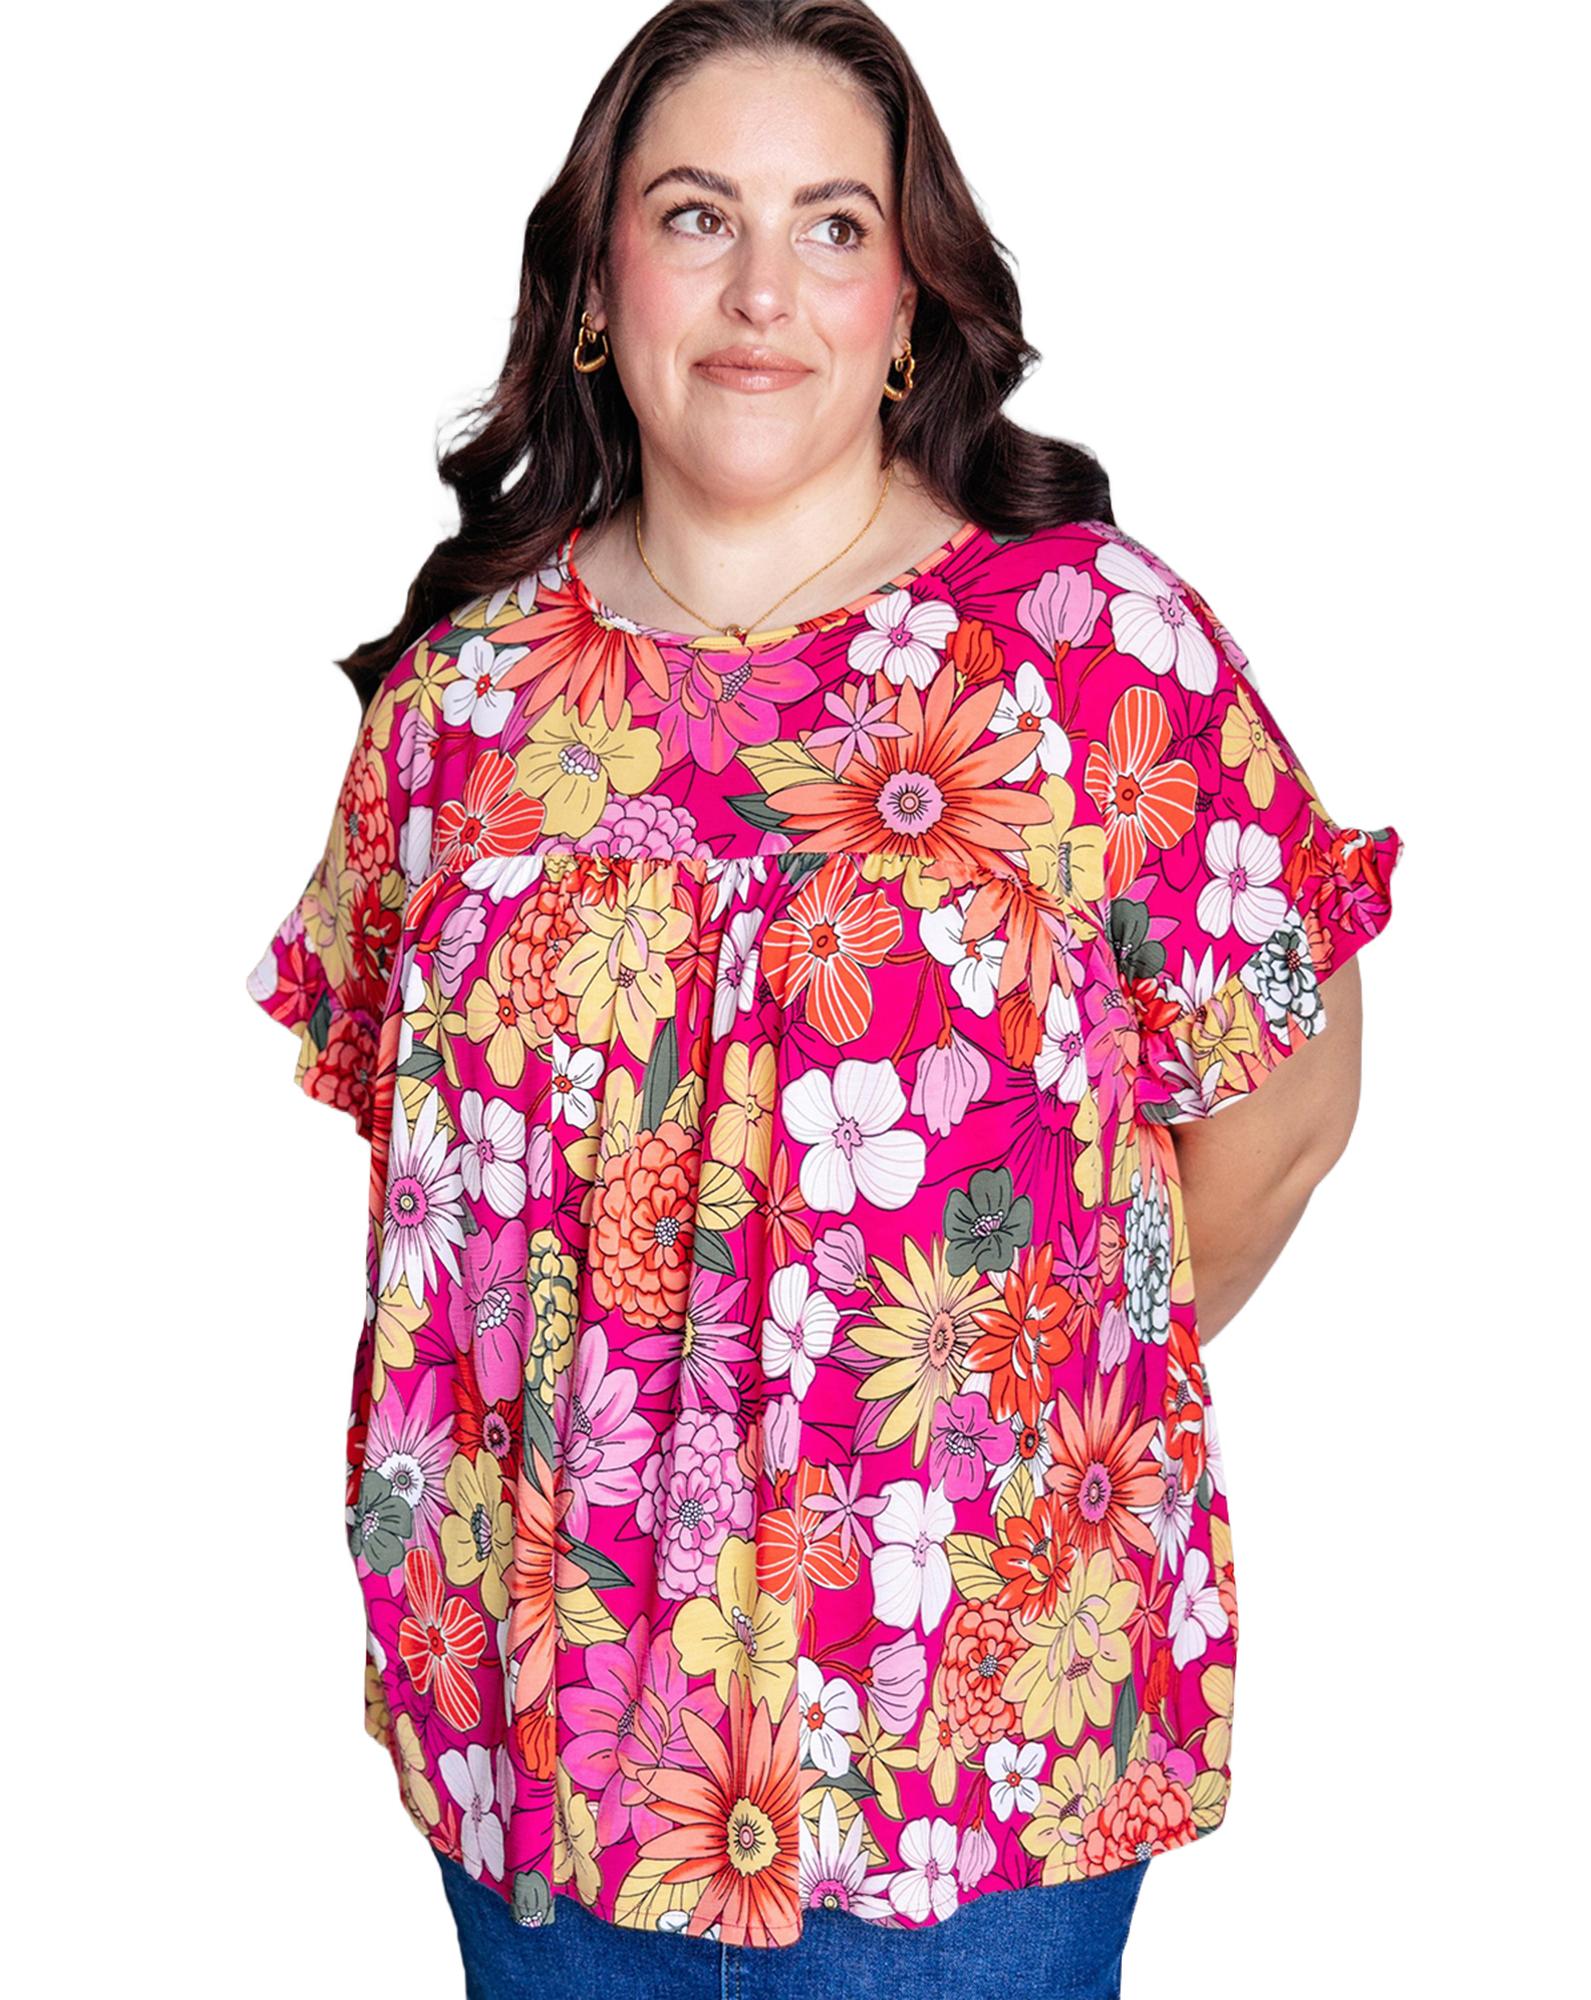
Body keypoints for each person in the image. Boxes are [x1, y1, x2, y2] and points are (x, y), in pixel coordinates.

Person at [244, 3, 1403, 1995]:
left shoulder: (1090, 656)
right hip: (541, 1748)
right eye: (697, 217)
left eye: (833, 227)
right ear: (597, 283)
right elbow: (455, 1235)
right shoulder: (457, 712)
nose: (762, 292)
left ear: (908, 307)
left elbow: (1280, 1122)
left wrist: (983, 1405)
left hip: (961, 1746)